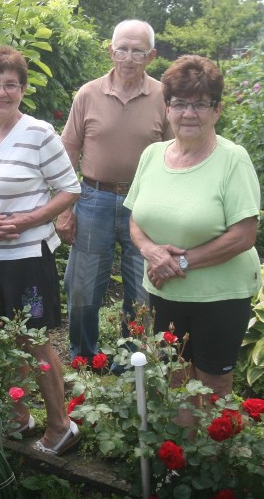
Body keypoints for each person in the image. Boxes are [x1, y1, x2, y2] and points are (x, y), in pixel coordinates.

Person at [0, 45, 81, 456]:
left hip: (28, 257)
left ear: (23, 89)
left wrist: (26, 220)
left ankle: (61, 427)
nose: (1, 92)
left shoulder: (39, 134)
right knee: (1, 340)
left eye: (10, 84)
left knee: (35, 341)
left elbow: (70, 189)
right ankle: (19, 416)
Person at [124, 55, 261, 422]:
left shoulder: (233, 160)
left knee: (213, 383)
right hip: (163, 291)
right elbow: (135, 218)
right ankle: (181, 465)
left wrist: (179, 262)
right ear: (167, 107)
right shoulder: (152, 155)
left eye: (200, 104)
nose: (189, 113)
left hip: (219, 296)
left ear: (216, 110)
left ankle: (213, 468)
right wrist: (151, 251)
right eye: (180, 103)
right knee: (175, 378)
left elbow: (244, 235)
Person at [58, 19, 172, 362]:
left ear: (151, 56)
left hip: (146, 204)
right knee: (82, 288)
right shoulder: (88, 93)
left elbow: (174, 154)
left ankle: (131, 361)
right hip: (94, 198)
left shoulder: (164, 97)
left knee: (142, 290)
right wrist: (65, 208)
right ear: (110, 50)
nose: (128, 57)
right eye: (122, 48)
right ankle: (83, 356)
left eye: (138, 51)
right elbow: (68, 150)